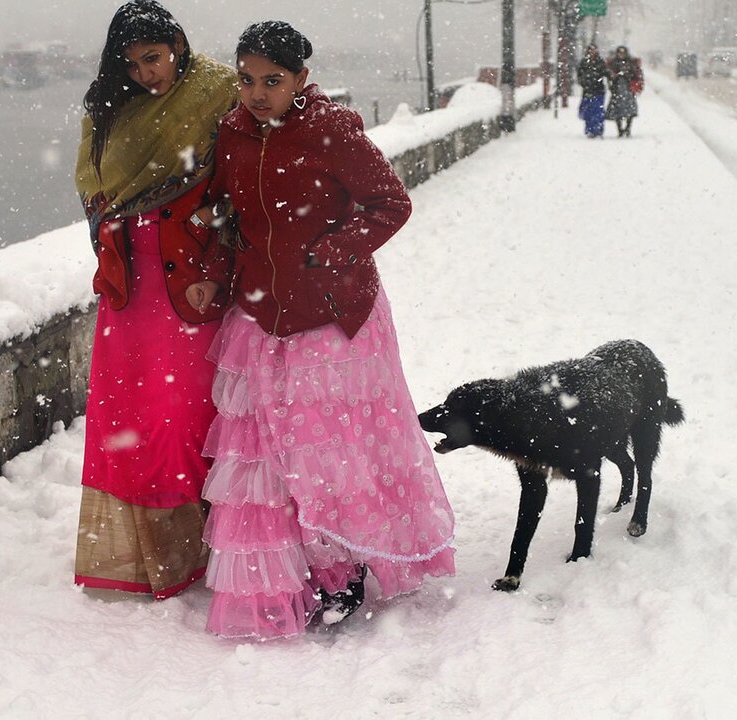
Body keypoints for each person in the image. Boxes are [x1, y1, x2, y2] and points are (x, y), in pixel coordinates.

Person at [188, 20, 456, 640]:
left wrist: (334, 252)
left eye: (273, 82)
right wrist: (210, 272)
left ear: (302, 80)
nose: (257, 94)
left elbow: (393, 203)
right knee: (269, 452)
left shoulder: (330, 129)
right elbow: (225, 215)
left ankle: (346, 567)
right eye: (248, 80)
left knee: (329, 448)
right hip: (259, 314)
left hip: (333, 316)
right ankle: (298, 570)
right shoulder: (230, 134)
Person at [71, 0, 237, 600]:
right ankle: (150, 554)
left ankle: (222, 541)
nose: (148, 74)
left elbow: (236, 186)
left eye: (156, 57)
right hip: (128, 282)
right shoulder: (107, 107)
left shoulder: (217, 91)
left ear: (179, 45)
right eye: (134, 62)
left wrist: (215, 265)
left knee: (192, 413)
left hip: (189, 275)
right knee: (132, 416)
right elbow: (95, 186)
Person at [605, 45, 643, 138]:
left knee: (629, 111)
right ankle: (620, 130)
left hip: (628, 90)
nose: (621, 55)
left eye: (623, 53)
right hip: (617, 90)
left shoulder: (631, 63)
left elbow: (637, 74)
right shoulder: (614, 63)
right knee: (617, 111)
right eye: (620, 53)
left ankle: (627, 128)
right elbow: (609, 75)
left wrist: (628, 76)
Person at [576, 45, 608, 138]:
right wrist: (584, 83)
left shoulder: (600, 62)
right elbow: (579, 75)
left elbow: (605, 72)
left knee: (598, 111)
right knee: (588, 111)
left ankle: (598, 130)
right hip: (588, 90)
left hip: (598, 90)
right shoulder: (584, 62)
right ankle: (590, 129)